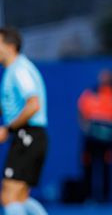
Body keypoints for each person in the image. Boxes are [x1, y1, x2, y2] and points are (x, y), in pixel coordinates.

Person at [0, 27, 48, 215]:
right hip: (29, 136)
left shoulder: (19, 69)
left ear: (10, 46)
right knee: (20, 198)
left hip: (28, 135)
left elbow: (33, 104)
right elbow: (8, 105)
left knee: (8, 196)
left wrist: (8, 129)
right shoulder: (13, 70)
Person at [77, 68, 112, 202]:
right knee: (88, 166)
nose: (104, 79)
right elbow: (81, 113)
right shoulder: (89, 94)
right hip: (91, 138)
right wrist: (85, 127)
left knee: (106, 167)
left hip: (108, 139)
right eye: (102, 76)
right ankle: (87, 196)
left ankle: (104, 197)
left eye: (107, 76)